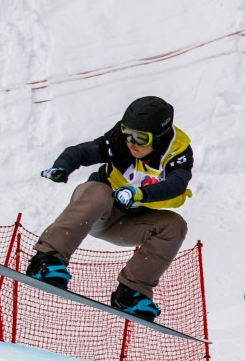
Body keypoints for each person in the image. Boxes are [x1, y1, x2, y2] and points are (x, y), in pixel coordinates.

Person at [26, 96, 194, 322]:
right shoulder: (120, 141)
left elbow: (177, 184)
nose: (131, 142)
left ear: (160, 136)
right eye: (127, 132)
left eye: (140, 137)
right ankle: (48, 259)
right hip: (97, 210)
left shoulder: (178, 151)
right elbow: (84, 151)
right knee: (99, 191)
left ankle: (132, 293)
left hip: (130, 223)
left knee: (174, 226)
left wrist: (140, 194)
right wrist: (62, 166)